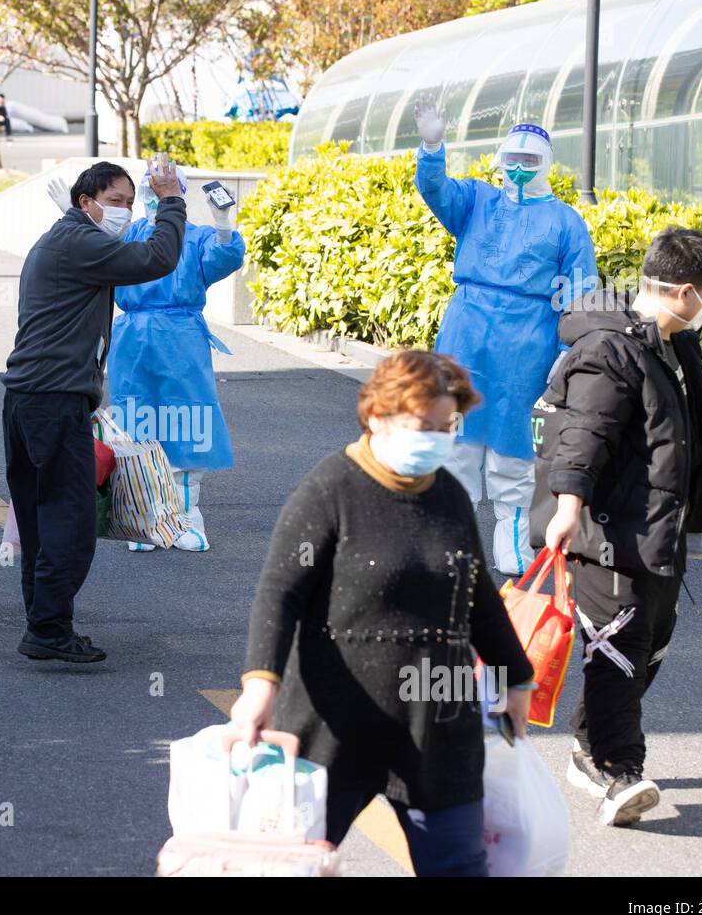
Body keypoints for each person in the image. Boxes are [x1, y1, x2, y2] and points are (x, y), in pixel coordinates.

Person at [230, 350, 536, 874]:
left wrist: (516, 678)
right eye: (424, 426)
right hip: (335, 725)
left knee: (460, 868)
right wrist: (261, 685)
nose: (437, 439)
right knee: (289, 865)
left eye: (447, 427)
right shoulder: (329, 490)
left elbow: (477, 594)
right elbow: (281, 590)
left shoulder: (451, 496)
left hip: (438, 724)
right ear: (377, 416)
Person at [534, 227, 702, 827]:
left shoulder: (671, 343)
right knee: (617, 651)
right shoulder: (609, 351)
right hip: (606, 531)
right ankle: (620, 770)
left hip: (656, 530)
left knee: (649, 648)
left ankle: (589, 744)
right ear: (683, 291)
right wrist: (567, 506)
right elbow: (583, 433)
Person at [2, 160, 186, 664]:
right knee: (72, 519)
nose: (124, 211)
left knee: (42, 519)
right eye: (117, 200)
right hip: (53, 400)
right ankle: (47, 628)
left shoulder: (66, 239)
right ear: (86, 203)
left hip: (30, 398)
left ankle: (45, 625)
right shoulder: (78, 242)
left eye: (131, 202)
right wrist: (170, 201)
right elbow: (155, 260)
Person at [414, 98, 597, 576]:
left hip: (527, 345)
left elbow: (579, 292)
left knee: (513, 445)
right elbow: (434, 189)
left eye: (528, 161)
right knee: (456, 439)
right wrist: (432, 147)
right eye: (511, 160)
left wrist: (566, 351)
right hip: (466, 332)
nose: (518, 169)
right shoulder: (476, 201)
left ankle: (511, 541)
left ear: (546, 165)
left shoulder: (566, 223)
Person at [106, 164, 244, 552]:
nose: (155, 193)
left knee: (187, 423)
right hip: (132, 341)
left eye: (165, 186)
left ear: (180, 192)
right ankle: (142, 519)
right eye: (150, 185)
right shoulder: (128, 234)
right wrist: (80, 224)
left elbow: (224, 258)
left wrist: (222, 223)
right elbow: (93, 260)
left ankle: (184, 519)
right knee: (135, 424)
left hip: (180, 340)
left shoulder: (197, 237)